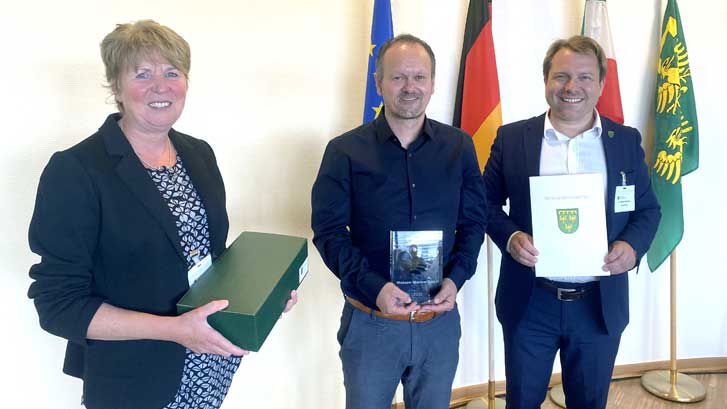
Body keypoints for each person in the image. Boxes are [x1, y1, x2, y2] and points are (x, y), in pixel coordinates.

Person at [27, 20, 296, 409]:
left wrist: (261, 298)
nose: (161, 86)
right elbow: (58, 304)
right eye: (142, 74)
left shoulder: (199, 154)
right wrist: (175, 330)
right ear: (116, 86)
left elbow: (212, 261)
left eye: (172, 72)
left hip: (211, 365)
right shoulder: (76, 170)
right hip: (136, 380)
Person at [482, 35, 661, 409]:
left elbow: (648, 210)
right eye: (561, 76)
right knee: (521, 402)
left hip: (598, 304)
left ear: (601, 84)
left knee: (589, 403)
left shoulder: (625, 142)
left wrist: (631, 247)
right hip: (530, 301)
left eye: (584, 77)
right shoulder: (512, 139)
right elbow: (484, 203)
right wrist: (510, 237)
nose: (571, 87)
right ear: (546, 80)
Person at [311, 34, 487, 409]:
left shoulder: (459, 147)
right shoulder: (344, 151)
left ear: (433, 83)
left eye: (419, 77)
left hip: (437, 324)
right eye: (398, 77)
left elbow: (474, 222)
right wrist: (374, 287)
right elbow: (328, 233)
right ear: (379, 83)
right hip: (371, 323)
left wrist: (456, 278)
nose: (410, 87)